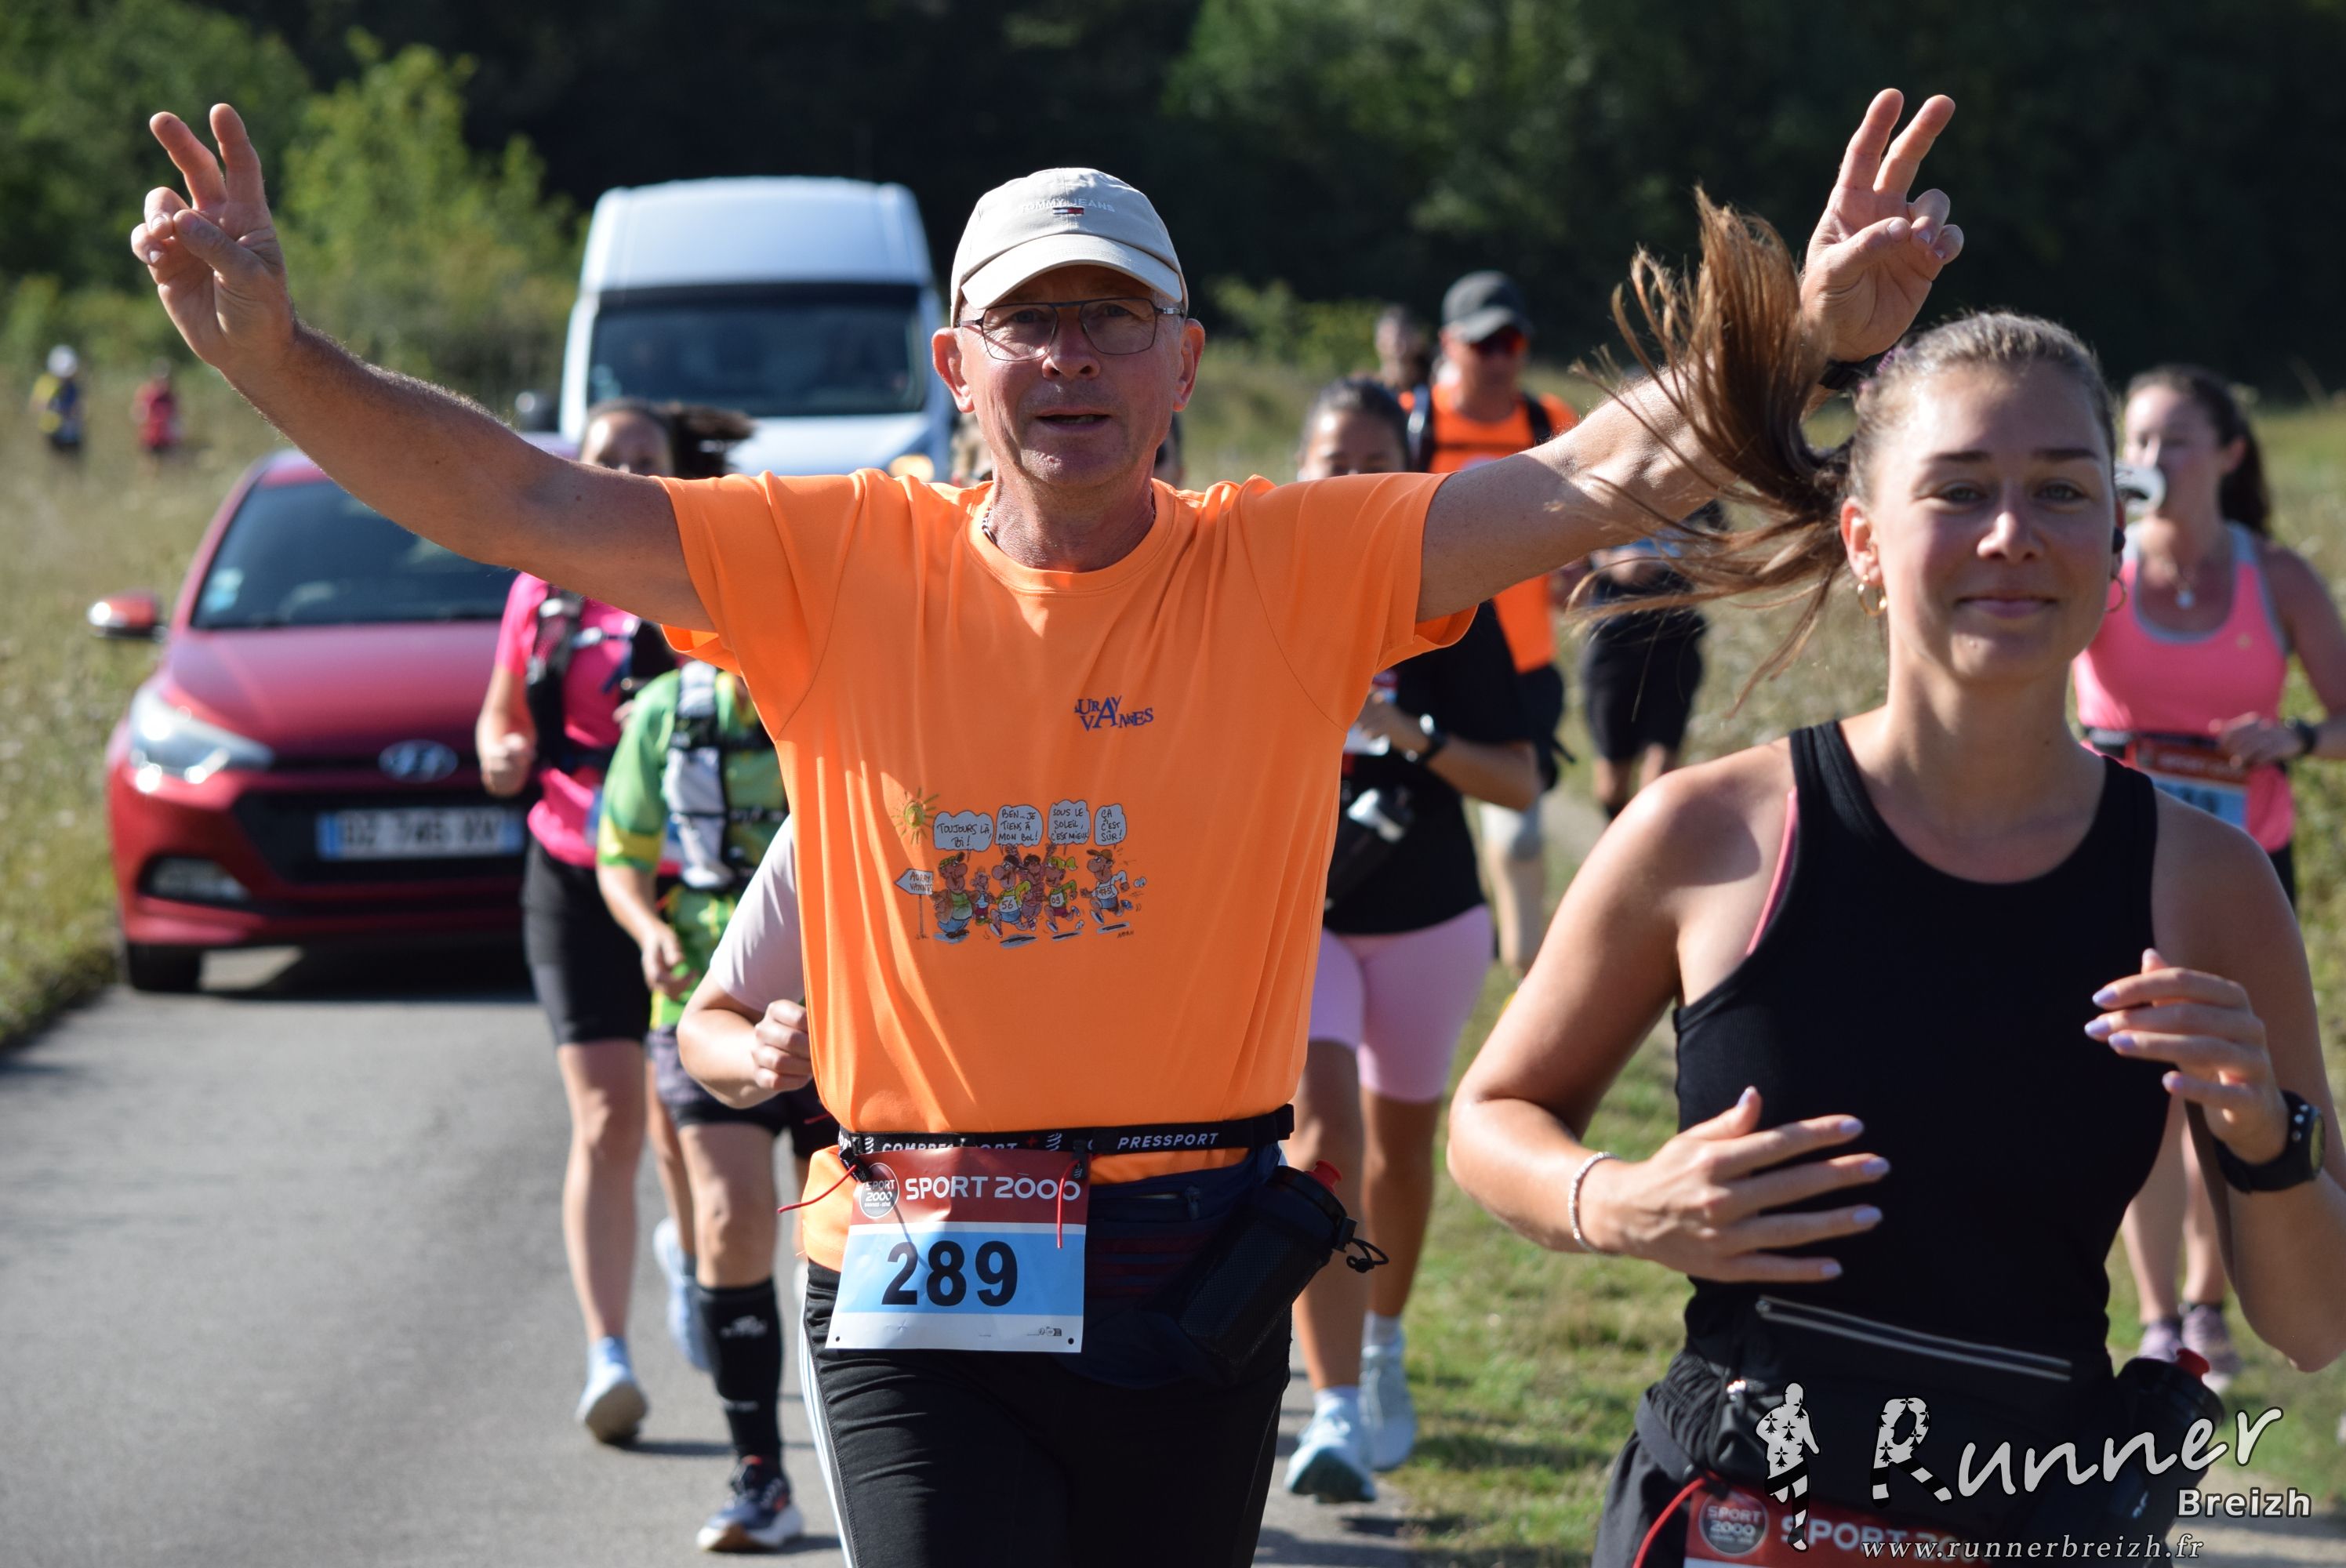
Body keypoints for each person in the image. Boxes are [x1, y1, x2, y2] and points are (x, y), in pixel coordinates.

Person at [134, 90, 1964, 1564]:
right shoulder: (832, 559)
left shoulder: (1287, 567)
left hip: (1195, 1252)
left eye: (1110, 318)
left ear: (1182, 361)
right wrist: (279, 361)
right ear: (957, 361)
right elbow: (520, 497)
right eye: (1027, 320)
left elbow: (1581, 480)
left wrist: (1801, 333)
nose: (1067, 356)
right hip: (911, 1250)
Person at [1447, 204, 2345, 1564]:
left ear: (2114, 540)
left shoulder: (2205, 882)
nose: (2011, 533)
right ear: (1864, 540)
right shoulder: (1712, 831)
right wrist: (1616, 1202)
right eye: (1959, 490)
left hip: (2029, 1516)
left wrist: (2261, 1135)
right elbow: (1494, 1115)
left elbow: (2313, 1325)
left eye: (2061, 491)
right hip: (1735, 1517)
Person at [1279, 378, 1542, 1501]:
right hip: (1302, 919)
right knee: (1321, 1136)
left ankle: (1383, 1344)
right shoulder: (1260, 590)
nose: (1351, 481)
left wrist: (1403, 730)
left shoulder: (1458, 601)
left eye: (1374, 461)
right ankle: (1334, 1407)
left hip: (1431, 916)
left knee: (1399, 1152)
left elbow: (1519, 780)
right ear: (1298, 471)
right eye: (1332, 460)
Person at [2072, 365, 2346, 1391]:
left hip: (2241, 866)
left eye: (2174, 440)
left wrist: (2294, 736)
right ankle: (2156, 1320)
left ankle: (2205, 1307)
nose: (2151, 460)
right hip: (2113, 853)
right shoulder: (2100, 561)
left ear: (2228, 454)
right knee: (2138, 1089)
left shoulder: (2274, 576)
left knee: (2224, 1080)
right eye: (2136, 441)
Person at [474, 398, 743, 1443]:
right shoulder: (540, 586)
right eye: (604, 459)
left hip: (690, 879)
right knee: (603, 1118)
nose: (622, 475)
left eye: (643, 459)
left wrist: (675, 712)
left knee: (680, 1119)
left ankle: (693, 1260)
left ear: (675, 472)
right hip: (572, 866)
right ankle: (607, 1354)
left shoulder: (706, 577)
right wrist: (500, 752)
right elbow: (501, 713)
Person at [597, 649, 830, 1550]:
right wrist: (646, 929)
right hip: (706, 1000)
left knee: (837, 1245)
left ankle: (874, 1466)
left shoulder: (846, 685)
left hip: (836, 1005)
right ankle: (760, 1472)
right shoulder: (666, 711)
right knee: (732, 1219)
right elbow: (620, 852)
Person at [1405, 271, 1579, 978]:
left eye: (1512, 343)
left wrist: (1580, 569)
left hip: (1521, 670)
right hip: (1423, 663)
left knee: (1518, 840)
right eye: (1484, 344)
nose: (1501, 358)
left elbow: (1585, 525)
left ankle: (1522, 973)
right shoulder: (1412, 423)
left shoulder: (1550, 422)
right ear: (1449, 345)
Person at [1569, 505, 1717, 819]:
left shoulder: (1697, 488)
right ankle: (1617, 841)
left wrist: (1683, 559)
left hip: (1676, 638)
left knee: (1660, 775)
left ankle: (1652, 845)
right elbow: (1571, 542)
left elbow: (1724, 542)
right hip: (1613, 638)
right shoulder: (1604, 484)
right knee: (1612, 784)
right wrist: (1613, 563)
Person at [30, 344, 85, 454]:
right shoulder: (45, 382)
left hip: (72, 434)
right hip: (51, 433)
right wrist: (51, 406)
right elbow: (35, 405)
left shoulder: (73, 386)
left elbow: (79, 407)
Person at [1374, 304, 1431, 394]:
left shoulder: (1435, 385)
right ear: (1378, 342)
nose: (1395, 340)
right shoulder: (1370, 391)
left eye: (1403, 333)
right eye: (1388, 335)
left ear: (1418, 339)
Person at [132, 358, 183, 458]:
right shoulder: (146, 393)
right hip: (150, 437)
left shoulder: (171, 396)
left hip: (167, 439)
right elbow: (138, 415)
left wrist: (177, 435)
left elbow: (176, 417)